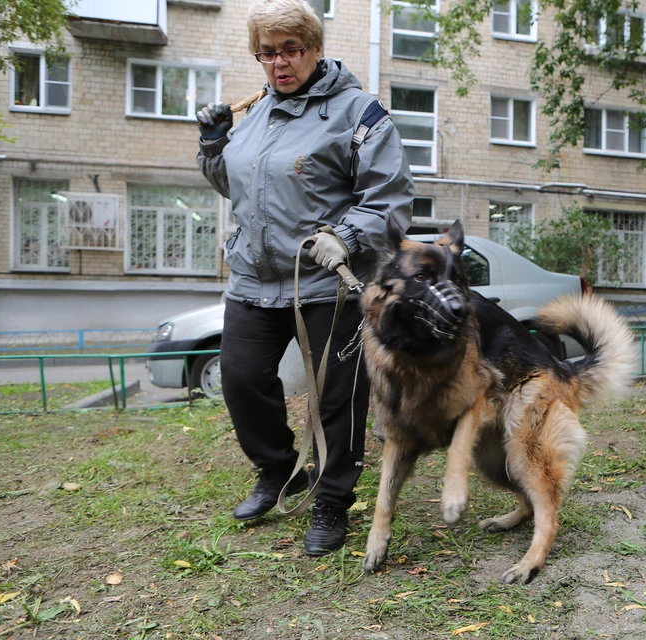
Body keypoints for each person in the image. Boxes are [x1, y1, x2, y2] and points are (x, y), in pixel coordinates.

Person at [195, 0, 413, 557]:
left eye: (291, 50)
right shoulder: (259, 113)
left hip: (329, 282)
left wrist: (349, 236)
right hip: (254, 278)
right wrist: (214, 145)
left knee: (337, 398)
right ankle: (278, 470)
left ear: (315, 49)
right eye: (267, 53)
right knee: (242, 380)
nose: (279, 63)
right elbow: (238, 189)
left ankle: (332, 500)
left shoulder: (358, 112)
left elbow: (389, 196)